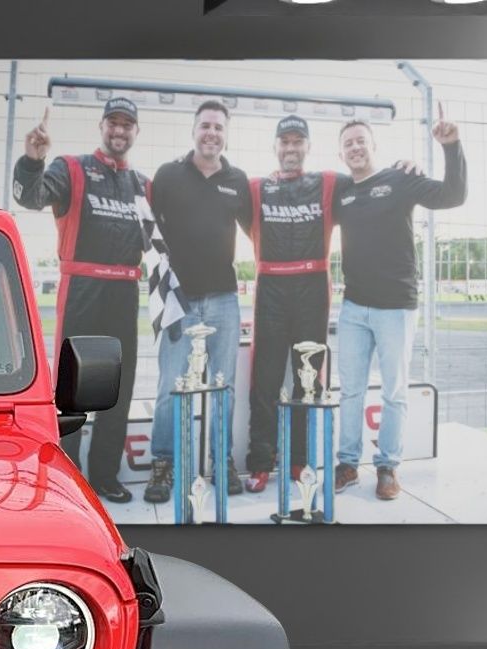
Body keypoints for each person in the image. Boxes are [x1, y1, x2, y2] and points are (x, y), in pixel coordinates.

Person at [13, 96, 148, 503]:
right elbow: (30, 197)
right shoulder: (71, 167)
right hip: (83, 288)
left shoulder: (144, 184)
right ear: (102, 126)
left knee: (117, 390)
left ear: (135, 132)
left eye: (127, 125)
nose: (119, 131)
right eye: (113, 123)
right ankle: (68, 478)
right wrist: (32, 160)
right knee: (72, 389)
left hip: (126, 292)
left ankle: (105, 475)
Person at [334, 107, 466, 500]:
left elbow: (452, 196)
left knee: (395, 392)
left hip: (396, 307)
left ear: (374, 145)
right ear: (341, 154)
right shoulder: (340, 191)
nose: (355, 147)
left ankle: (388, 467)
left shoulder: (401, 178)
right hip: (354, 307)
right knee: (350, 391)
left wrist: (451, 146)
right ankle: (346, 464)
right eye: (348, 144)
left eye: (361, 140)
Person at [143, 100, 252, 505]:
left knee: (222, 386)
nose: (212, 133)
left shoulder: (238, 180)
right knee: (172, 387)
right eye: (206, 125)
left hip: (224, 298)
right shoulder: (169, 175)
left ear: (226, 134)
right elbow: (146, 231)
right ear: (194, 130)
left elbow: (260, 233)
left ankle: (221, 461)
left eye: (219, 127)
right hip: (179, 299)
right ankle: (164, 462)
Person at [244, 115, 342, 492]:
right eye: (284, 142)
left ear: (307, 147)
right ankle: (260, 461)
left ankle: (299, 460)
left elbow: (368, 186)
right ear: (275, 147)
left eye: (297, 141)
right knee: (265, 381)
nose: (290, 148)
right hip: (270, 287)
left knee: (307, 383)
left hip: (313, 289)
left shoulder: (328, 183)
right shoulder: (256, 188)